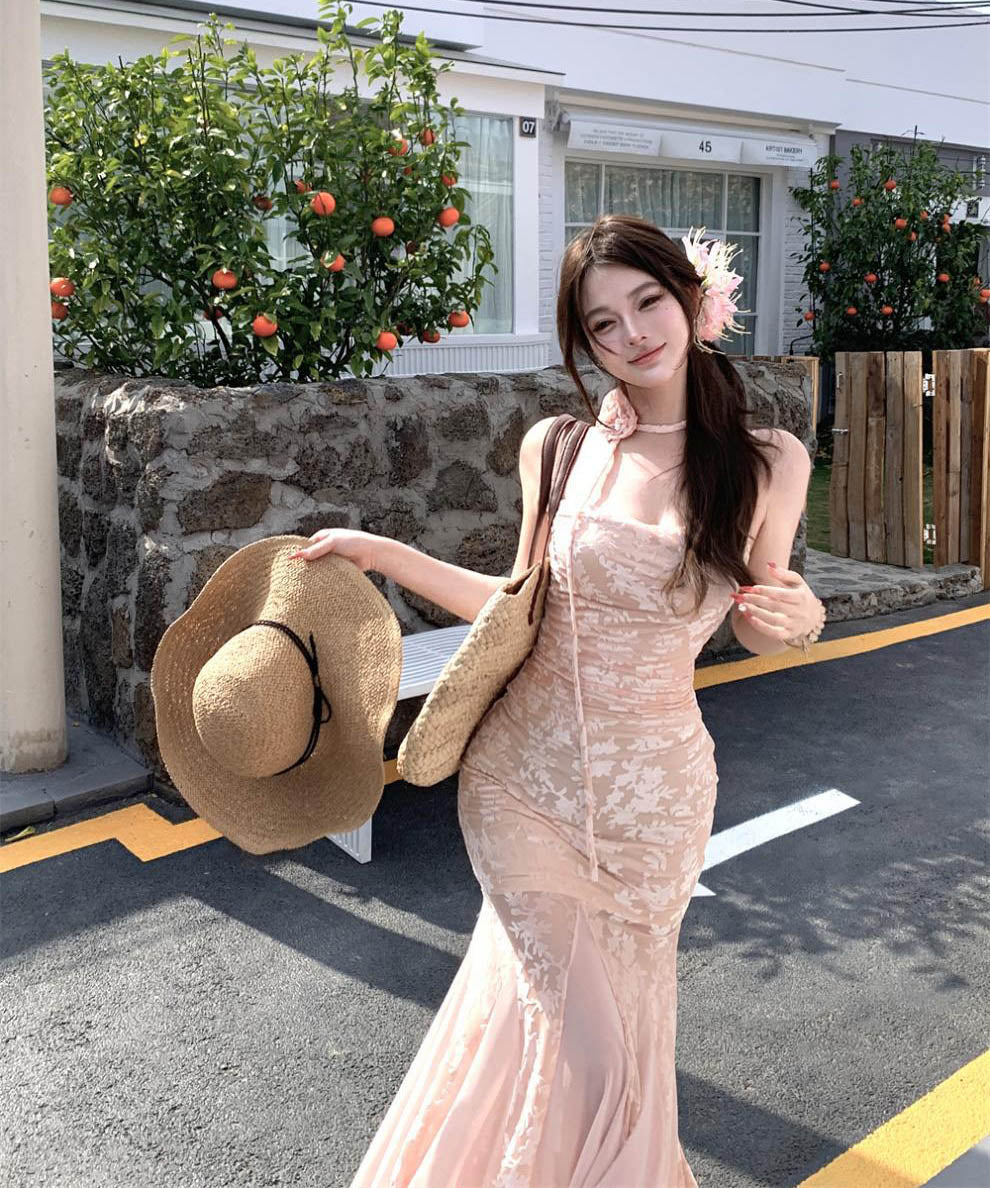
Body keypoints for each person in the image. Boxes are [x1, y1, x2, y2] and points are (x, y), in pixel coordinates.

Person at [291, 213, 824, 1187]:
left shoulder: (767, 460)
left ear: (693, 301)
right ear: (584, 344)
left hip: (655, 805)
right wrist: (384, 554)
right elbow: (516, 606)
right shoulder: (560, 447)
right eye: (602, 324)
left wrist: (799, 616)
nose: (632, 335)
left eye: (647, 303)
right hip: (521, 784)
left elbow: (761, 610)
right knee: (593, 1053)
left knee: (621, 1028)